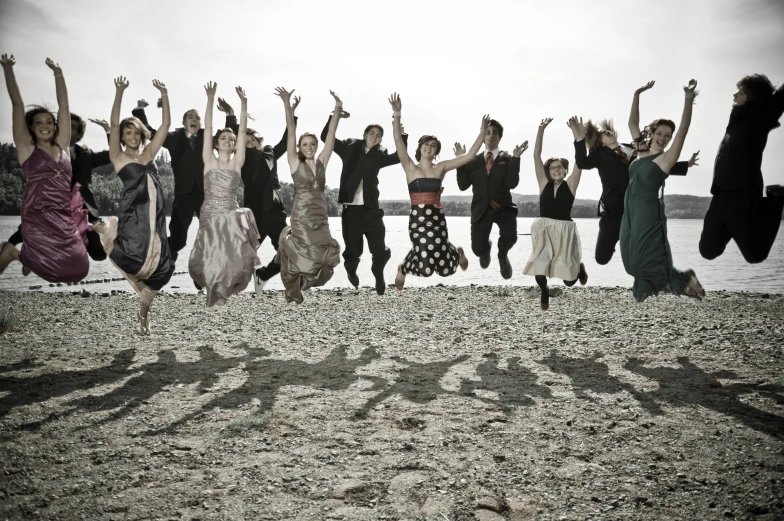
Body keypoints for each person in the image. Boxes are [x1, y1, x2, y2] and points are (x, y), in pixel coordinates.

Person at [572, 85, 698, 265]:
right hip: (612, 212)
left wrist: (685, 165)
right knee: (601, 259)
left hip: (633, 211)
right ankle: (615, 245)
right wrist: (579, 139)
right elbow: (582, 163)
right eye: (603, 134)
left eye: (608, 131)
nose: (607, 132)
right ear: (599, 141)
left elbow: (654, 164)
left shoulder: (633, 149)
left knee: (638, 254)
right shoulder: (598, 155)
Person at [0, 55, 90, 282]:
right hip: (36, 214)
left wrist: (58, 73)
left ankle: (27, 256)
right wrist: (8, 69)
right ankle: (15, 253)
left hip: (62, 214)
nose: (45, 126)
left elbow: (64, 106)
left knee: (80, 269)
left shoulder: (63, 148)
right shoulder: (26, 149)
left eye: (49, 121)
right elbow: (18, 105)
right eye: (38, 122)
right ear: (31, 127)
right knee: (55, 273)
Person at [387, 93, 488, 290]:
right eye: (426, 144)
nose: (429, 147)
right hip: (418, 220)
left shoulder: (440, 168)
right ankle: (404, 268)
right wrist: (397, 112)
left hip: (437, 219)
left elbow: (468, 157)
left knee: (446, 270)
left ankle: (456, 254)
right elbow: (398, 141)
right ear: (420, 147)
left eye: (433, 146)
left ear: (436, 151)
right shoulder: (410, 167)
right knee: (425, 269)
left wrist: (482, 134)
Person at [98, 76, 175, 335]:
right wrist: (119, 91)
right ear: (122, 135)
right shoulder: (117, 157)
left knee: (165, 268)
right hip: (133, 217)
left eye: (135, 132)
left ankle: (143, 311)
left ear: (142, 134)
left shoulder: (147, 155)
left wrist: (164, 95)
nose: (131, 136)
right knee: (132, 259)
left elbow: (165, 124)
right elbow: (112, 123)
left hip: (154, 220)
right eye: (127, 132)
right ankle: (142, 303)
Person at [620, 80, 704, 302]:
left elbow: (683, 131)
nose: (664, 138)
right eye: (660, 133)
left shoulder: (667, 159)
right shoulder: (641, 151)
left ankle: (684, 279)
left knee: (640, 259)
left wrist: (688, 97)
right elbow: (632, 122)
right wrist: (637, 93)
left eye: (668, 135)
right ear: (653, 132)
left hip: (647, 212)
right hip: (630, 212)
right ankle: (683, 281)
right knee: (630, 260)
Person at [3, 114, 114, 265]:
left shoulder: (87, 155)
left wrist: (108, 130)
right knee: (19, 237)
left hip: (83, 212)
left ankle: (76, 242)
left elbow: (115, 155)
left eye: (74, 128)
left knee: (100, 255)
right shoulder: (45, 151)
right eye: (66, 126)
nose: (70, 130)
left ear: (79, 134)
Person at [320, 109, 409, 295]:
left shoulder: (380, 157)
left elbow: (399, 157)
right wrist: (334, 115)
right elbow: (324, 136)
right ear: (365, 135)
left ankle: (378, 272)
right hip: (351, 211)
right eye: (372, 133)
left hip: (372, 210)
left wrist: (402, 137)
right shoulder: (348, 149)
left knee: (380, 249)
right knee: (353, 251)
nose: (375, 137)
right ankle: (351, 269)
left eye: (379, 135)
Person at [188, 82, 261, 307]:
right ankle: (212, 289)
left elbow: (241, 130)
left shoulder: (237, 163)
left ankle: (225, 289)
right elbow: (208, 128)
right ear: (217, 143)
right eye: (224, 139)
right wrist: (210, 98)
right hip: (210, 211)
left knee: (233, 256)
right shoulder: (209, 160)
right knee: (210, 254)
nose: (228, 140)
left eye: (232, 139)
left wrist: (244, 103)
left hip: (230, 212)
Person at [216, 95, 299, 293]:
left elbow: (288, 137)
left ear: (259, 140)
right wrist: (231, 115)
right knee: (245, 251)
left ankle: (263, 275)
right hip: (256, 214)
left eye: (254, 138)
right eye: (247, 139)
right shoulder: (243, 158)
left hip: (276, 212)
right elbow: (237, 134)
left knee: (290, 249)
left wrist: (291, 112)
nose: (251, 140)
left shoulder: (270, 153)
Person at [699, 74, 784, 263]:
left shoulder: (760, 119)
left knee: (755, 256)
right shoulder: (735, 120)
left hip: (743, 198)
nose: (734, 95)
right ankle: (732, 227)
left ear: (753, 97)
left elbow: (779, 99)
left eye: (741, 92)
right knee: (707, 250)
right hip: (720, 197)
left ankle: (776, 200)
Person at [274, 86, 341, 304]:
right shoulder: (294, 163)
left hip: (320, 213)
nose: (309, 147)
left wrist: (337, 108)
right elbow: (291, 131)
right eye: (305, 145)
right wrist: (287, 103)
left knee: (322, 257)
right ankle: (292, 284)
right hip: (301, 214)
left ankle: (299, 284)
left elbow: (331, 134)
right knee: (304, 250)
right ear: (300, 148)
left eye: (312, 144)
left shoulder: (322, 162)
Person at [524, 117, 588, 310]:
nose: (556, 170)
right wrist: (541, 129)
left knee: (568, 281)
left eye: (560, 167)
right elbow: (536, 156)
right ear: (548, 171)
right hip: (543, 229)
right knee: (540, 270)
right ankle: (544, 291)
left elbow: (580, 160)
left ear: (565, 170)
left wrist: (578, 137)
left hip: (564, 231)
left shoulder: (572, 184)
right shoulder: (543, 184)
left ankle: (578, 269)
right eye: (553, 168)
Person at [132, 98, 205, 261]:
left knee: (211, 237)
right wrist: (139, 110)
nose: (194, 119)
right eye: (191, 117)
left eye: (197, 117)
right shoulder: (174, 138)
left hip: (205, 195)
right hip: (183, 194)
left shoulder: (207, 137)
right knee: (178, 241)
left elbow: (229, 139)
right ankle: (159, 257)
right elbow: (149, 132)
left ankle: (201, 271)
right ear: (184, 122)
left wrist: (230, 116)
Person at [456, 119, 528, 279]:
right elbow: (462, 185)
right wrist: (461, 162)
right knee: (477, 249)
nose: (491, 136)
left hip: (503, 208)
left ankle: (502, 255)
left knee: (510, 237)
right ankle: (486, 249)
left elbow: (512, 183)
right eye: (487, 132)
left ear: (500, 137)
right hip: (481, 209)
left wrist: (516, 159)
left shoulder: (507, 158)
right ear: (482, 136)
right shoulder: (473, 160)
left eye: (495, 132)